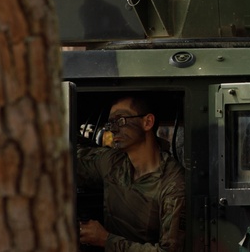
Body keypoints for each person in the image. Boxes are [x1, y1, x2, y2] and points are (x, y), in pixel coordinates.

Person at [76, 94, 185, 251]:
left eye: (120, 120)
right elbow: (69, 157)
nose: (113, 129)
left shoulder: (173, 183)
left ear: (147, 122)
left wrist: (106, 240)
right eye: (110, 123)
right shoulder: (113, 163)